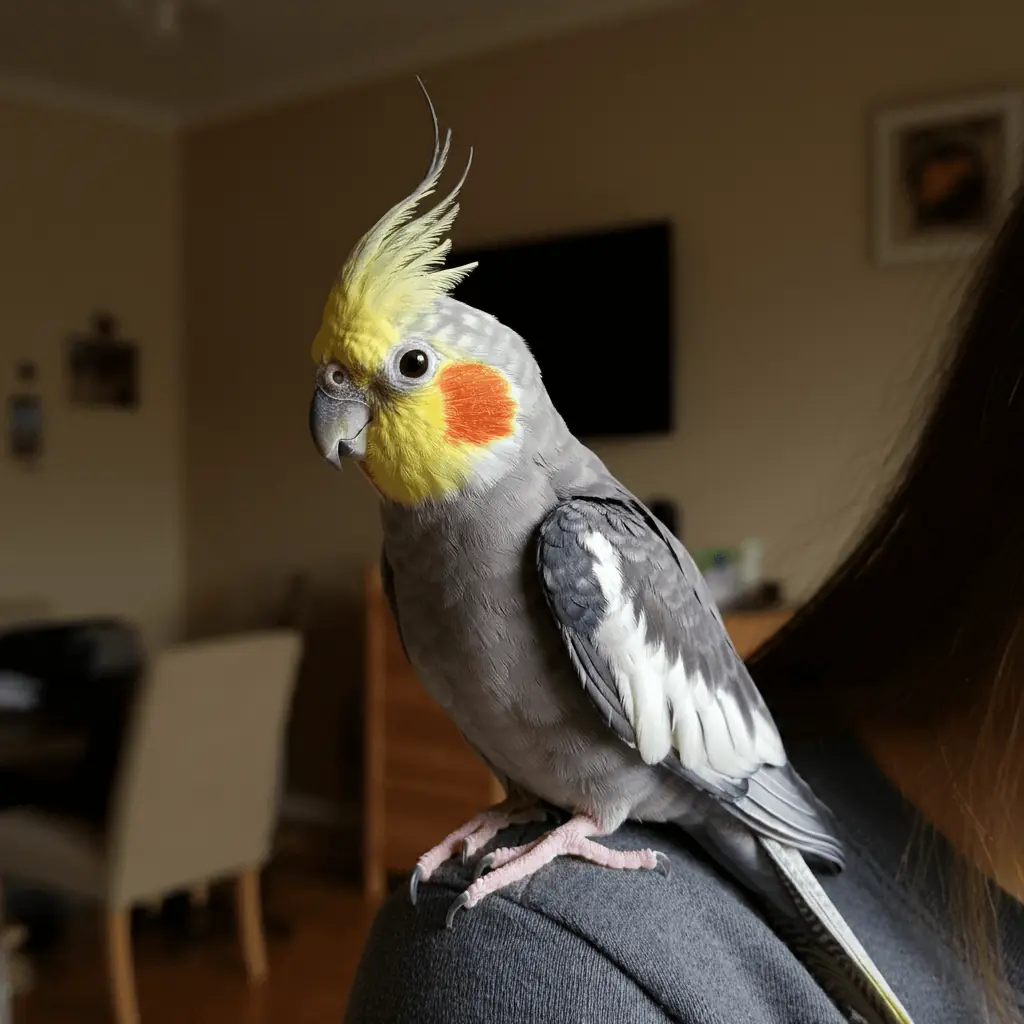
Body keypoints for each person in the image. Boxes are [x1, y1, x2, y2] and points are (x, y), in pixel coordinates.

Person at [342, 187, 1024, 1024]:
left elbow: (673, 742)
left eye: (408, 369)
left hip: (706, 792)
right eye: (340, 379)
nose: (347, 402)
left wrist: (584, 815)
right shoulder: (408, 562)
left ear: (495, 388)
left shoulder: (577, 537)